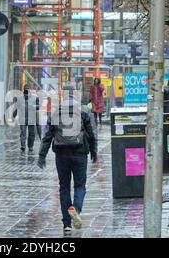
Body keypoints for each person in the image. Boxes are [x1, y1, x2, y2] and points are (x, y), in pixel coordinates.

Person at [37, 85, 97, 234]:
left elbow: (48, 136)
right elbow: (92, 133)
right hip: (80, 153)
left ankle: (67, 225)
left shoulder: (56, 111)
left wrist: (41, 156)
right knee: (80, 186)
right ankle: (75, 208)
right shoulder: (84, 110)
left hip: (61, 154)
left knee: (64, 187)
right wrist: (94, 152)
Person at [13, 84, 40, 152]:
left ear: (30, 90)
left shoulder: (35, 97)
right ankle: (23, 146)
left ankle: (30, 146)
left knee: (31, 133)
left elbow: (38, 107)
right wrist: (14, 115)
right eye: (25, 90)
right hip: (22, 118)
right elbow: (16, 107)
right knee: (23, 132)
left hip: (31, 119)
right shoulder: (19, 98)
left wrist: (33, 106)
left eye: (27, 90)